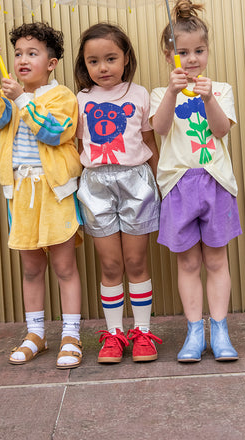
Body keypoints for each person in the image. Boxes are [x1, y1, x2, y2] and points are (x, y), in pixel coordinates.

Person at [0, 22, 84, 369]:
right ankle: (35, 333)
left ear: (51, 63)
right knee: (31, 268)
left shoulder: (63, 96)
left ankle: (71, 334)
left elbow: (54, 133)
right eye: (18, 53)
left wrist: (22, 98)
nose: (22, 60)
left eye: (32, 54)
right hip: (21, 193)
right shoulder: (11, 96)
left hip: (55, 193)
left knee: (64, 267)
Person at [150, 0, 242, 363]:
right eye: (183, 52)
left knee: (216, 260)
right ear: (170, 55)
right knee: (187, 262)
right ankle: (193, 331)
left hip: (215, 181)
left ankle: (218, 329)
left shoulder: (219, 90)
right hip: (178, 186)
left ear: (207, 51)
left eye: (199, 51)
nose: (192, 59)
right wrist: (173, 92)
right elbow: (159, 129)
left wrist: (208, 101)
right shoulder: (162, 93)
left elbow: (221, 130)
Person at [74, 22, 162, 364]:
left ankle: (141, 333)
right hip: (96, 185)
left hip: (136, 182)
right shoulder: (80, 100)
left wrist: (161, 183)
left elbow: (150, 141)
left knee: (136, 261)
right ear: (84, 64)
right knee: (111, 264)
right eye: (93, 61)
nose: (103, 67)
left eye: (111, 58)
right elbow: (78, 145)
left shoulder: (140, 95)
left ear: (126, 58)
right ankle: (113, 335)